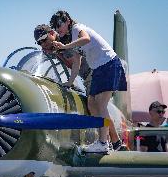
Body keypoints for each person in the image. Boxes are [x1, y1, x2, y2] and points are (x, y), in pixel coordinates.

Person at [48, 10, 127, 152]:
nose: (58, 28)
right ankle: (105, 140)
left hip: (108, 64)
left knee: (101, 103)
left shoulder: (77, 29)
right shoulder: (73, 38)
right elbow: (76, 63)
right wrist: (70, 82)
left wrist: (65, 46)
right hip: (99, 68)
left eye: (59, 24)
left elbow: (86, 39)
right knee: (91, 102)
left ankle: (102, 143)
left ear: (67, 21)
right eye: (55, 26)